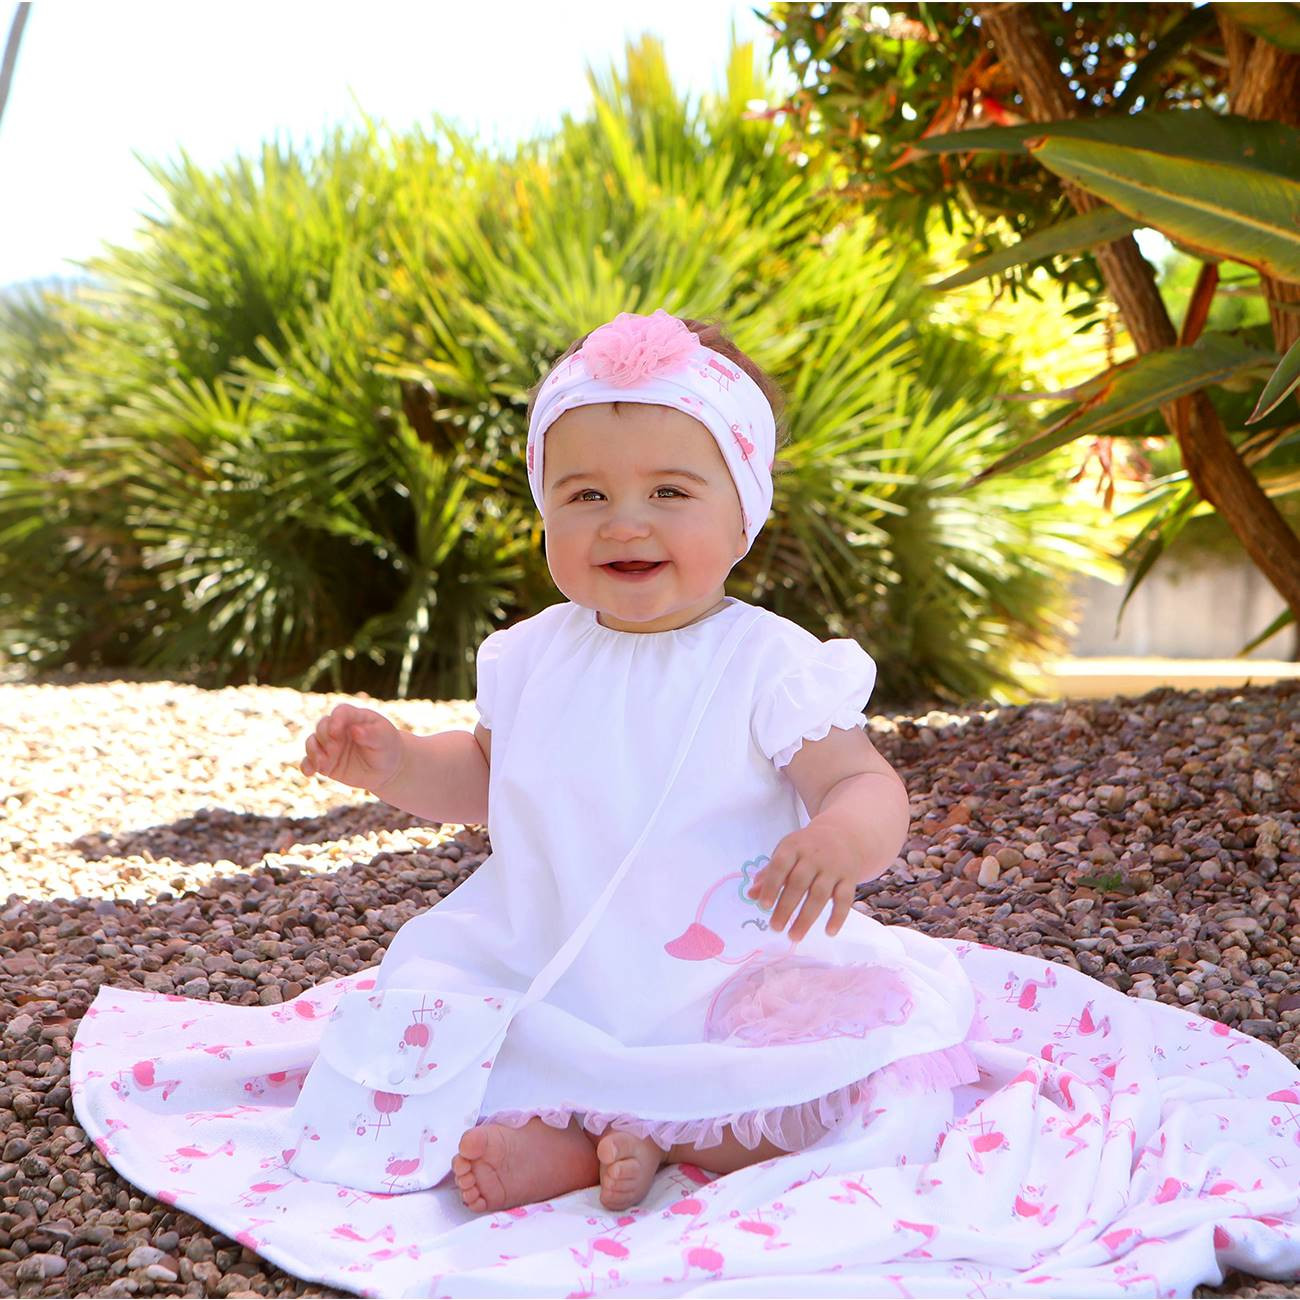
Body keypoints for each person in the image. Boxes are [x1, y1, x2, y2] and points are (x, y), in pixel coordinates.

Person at [297, 308, 984, 1214]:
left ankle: (654, 1132)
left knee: (838, 1074)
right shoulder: (529, 655)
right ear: (545, 506)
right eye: (585, 496)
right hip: (554, 953)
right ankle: (579, 1137)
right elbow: (488, 781)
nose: (626, 523)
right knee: (444, 1029)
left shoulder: (769, 663)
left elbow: (859, 781)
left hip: (719, 969)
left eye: (670, 492)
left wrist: (839, 840)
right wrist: (395, 767)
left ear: (744, 511)